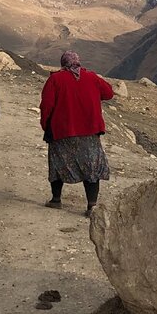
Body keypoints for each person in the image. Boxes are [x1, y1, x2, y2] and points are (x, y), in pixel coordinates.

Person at [40, 50, 114, 216]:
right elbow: (108, 93)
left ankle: (56, 200)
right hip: (90, 132)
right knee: (91, 168)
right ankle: (91, 206)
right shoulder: (92, 77)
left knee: (58, 164)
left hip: (62, 132)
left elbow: (46, 105)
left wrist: (46, 125)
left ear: (63, 63)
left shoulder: (55, 79)